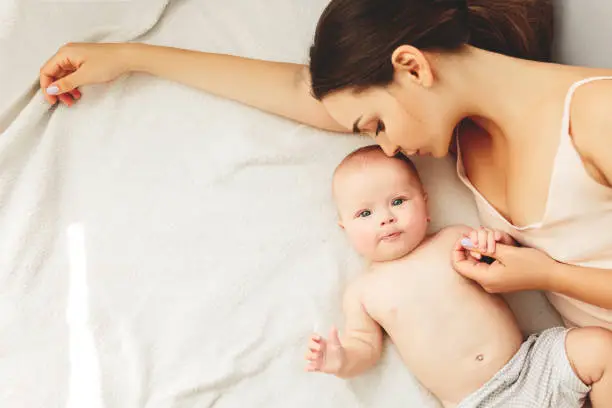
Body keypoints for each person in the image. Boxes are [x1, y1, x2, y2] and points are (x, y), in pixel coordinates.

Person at [38, 0, 612, 329]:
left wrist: (548, 277)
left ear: (411, 66)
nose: (387, 151)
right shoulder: (462, 132)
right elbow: (299, 89)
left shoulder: (596, 111)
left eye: (377, 126)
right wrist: (132, 57)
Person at [304, 145, 611, 407]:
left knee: (600, 348)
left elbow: (507, 263)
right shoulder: (362, 293)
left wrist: (496, 242)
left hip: (531, 364)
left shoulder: (454, 240)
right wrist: (342, 359)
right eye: (365, 214)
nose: (386, 218)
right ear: (344, 227)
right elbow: (364, 347)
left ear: (425, 203)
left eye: (398, 201)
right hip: (477, 402)